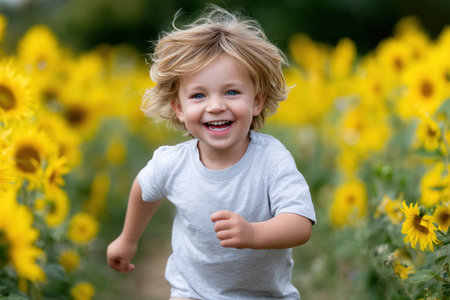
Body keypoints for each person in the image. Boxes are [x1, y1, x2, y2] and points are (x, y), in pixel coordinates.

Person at [107, 5, 316, 300]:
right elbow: (144, 188)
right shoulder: (173, 162)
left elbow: (300, 223)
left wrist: (254, 234)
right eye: (198, 95)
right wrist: (127, 239)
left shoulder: (272, 159)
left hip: (264, 295)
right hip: (191, 293)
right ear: (179, 109)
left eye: (231, 92)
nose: (215, 105)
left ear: (257, 101)